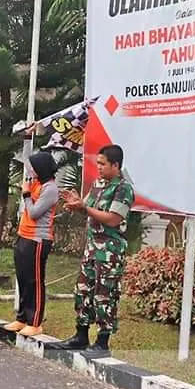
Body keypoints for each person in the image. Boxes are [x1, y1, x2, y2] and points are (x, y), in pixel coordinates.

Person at [54, 144, 134, 352]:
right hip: (91, 249)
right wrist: (77, 205)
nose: (98, 167)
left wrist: (85, 208)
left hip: (110, 252)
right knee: (83, 290)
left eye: (102, 164)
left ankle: (102, 341)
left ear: (115, 165)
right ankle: (80, 335)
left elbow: (114, 219)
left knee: (104, 294)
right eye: (97, 163)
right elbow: (88, 210)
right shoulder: (97, 184)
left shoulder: (123, 188)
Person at [3, 151, 60, 338]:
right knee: (22, 279)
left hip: (38, 239)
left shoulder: (50, 189)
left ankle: (35, 322)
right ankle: (22, 317)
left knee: (34, 281)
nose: (31, 170)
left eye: (34, 167)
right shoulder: (35, 183)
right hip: (23, 236)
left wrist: (26, 194)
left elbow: (34, 212)